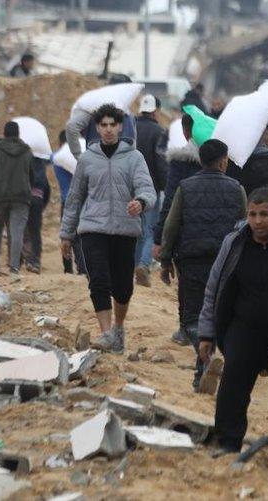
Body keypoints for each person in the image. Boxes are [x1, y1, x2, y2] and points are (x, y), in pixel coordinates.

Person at [195, 187, 268, 454]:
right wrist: (206, 334)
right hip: (243, 330)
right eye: (252, 214)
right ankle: (228, 442)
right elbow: (214, 289)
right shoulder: (234, 243)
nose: (257, 221)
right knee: (232, 389)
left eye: (264, 214)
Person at [60, 104, 156, 354]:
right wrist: (66, 234)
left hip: (125, 230)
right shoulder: (87, 159)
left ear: (121, 126)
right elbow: (75, 198)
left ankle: (119, 328)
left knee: (123, 287)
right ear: (97, 128)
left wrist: (141, 202)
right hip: (93, 228)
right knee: (98, 280)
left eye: (113, 124)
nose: (109, 129)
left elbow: (148, 189)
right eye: (103, 125)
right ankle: (106, 334)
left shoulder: (134, 158)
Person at [160, 139, 246, 390]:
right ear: (222, 161)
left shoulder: (185, 187)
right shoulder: (237, 188)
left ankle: (203, 367)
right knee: (224, 314)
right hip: (226, 263)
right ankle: (225, 369)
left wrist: (166, 260)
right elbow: (243, 227)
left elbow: (172, 225)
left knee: (192, 319)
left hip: (191, 262)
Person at [154, 113, 202, 346]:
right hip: (218, 238)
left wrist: (159, 240)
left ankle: (186, 329)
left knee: (186, 284)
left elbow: (170, 203)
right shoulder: (227, 159)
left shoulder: (181, 162)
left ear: (185, 132)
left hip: (187, 236)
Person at [0, 121, 33, 274]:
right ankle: (14, 266)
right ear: (18, 134)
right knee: (17, 231)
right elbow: (31, 174)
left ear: (4, 133)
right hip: (21, 197)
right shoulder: (27, 151)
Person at [132, 94, 169, 287]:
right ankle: (144, 265)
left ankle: (134, 266)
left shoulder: (130, 129)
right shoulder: (159, 132)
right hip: (151, 188)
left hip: (130, 188)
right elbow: (161, 162)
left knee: (136, 230)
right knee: (149, 229)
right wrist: (165, 186)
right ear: (156, 111)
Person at [66, 77, 138, 157]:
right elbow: (71, 127)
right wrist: (80, 158)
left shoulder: (129, 116)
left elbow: (71, 127)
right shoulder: (92, 111)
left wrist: (79, 158)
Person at [53, 131, 86, 275]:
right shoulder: (80, 155)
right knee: (81, 235)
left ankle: (68, 269)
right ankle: (83, 268)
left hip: (66, 201)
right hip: (84, 201)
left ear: (61, 143)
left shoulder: (58, 160)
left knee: (66, 235)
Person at [21, 150, 51, 273]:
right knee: (35, 231)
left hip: (23, 199)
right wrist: (42, 204)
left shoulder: (23, 163)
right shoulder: (41, 166)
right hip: (37, 200)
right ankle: (36, 261)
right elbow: (47, 188)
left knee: (24, 230)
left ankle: (24, 259)